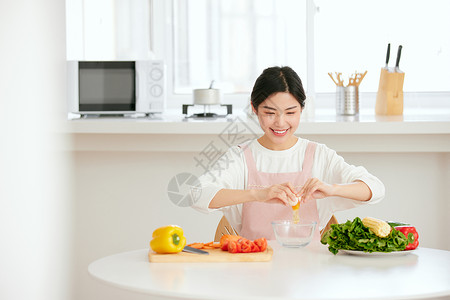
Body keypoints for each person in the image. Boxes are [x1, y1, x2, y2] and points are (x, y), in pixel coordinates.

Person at [191, 66, 385, 241]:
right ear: (254, 108)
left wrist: (333, 189)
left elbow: (376, 189)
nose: (280, 122)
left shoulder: (319, 155)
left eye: (290, 113)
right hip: (253, 270)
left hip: (312, 273)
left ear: (302, 108)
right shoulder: (240, 157)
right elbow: (196, 194)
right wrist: (257, 194)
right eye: (270, 113)